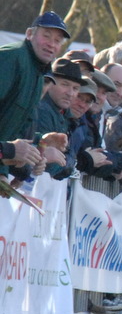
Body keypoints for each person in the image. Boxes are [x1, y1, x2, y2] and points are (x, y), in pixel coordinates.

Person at [0, 11, 71, 186]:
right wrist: (8, 152)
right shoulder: (10, 58)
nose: (51, 45)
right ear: (29, 34)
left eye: (57, 41)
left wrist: (40, 144)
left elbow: (13, 132)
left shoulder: (38, 75)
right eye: (46, 36)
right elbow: (9, 145)